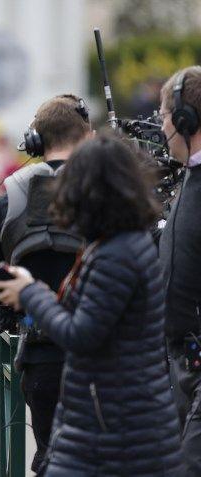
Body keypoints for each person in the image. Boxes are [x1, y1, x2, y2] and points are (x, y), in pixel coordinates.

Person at [0, 134, 182, 476]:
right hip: (111, 425)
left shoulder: (118, 253)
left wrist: (31, 293)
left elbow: (81, 333)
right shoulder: (115, 244)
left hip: (117, 432)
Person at [0, 94, 92, 473]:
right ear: (88, 137)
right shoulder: (108, 192)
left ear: (35, 142)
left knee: (51, 456)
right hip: (98, 356)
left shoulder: (11, 196)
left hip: (40, 356)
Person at [158, 65, 201, 475]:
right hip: (182, 369)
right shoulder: (189, 178)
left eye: (164, 116)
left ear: (185, 120)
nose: (162, 126)